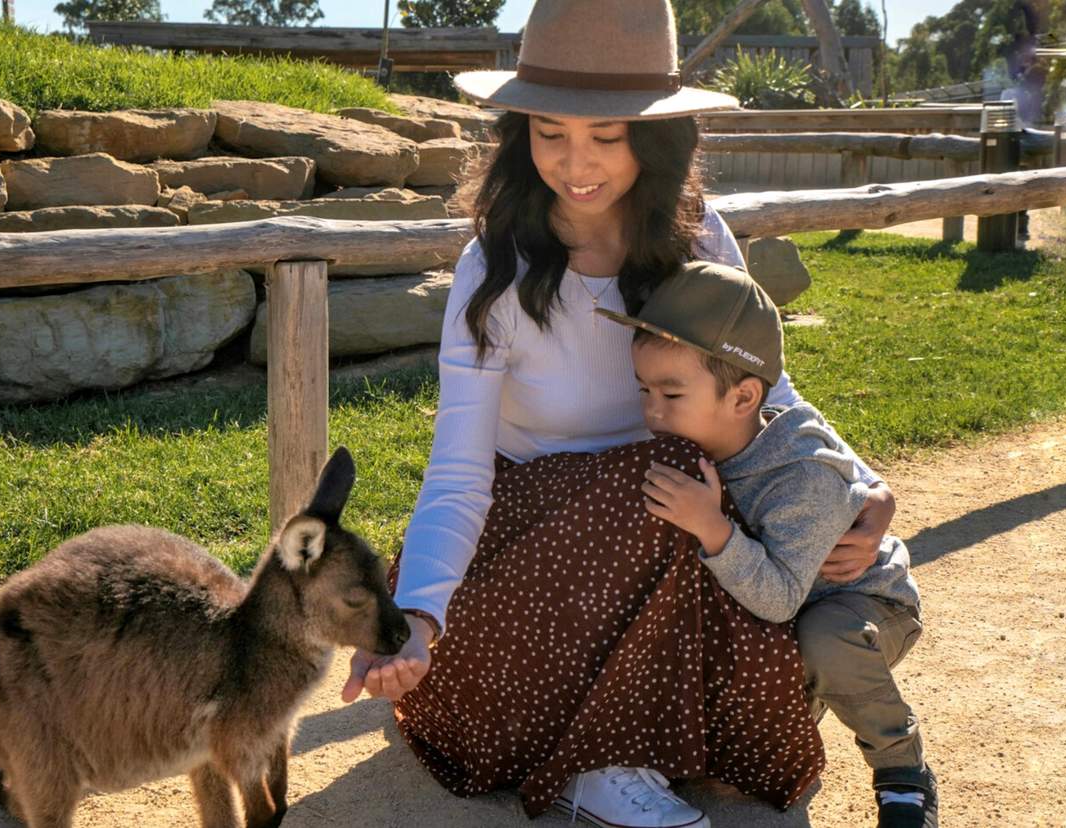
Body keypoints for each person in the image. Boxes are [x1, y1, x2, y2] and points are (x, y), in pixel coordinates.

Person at [338, 1, 897, 825]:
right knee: (668, 471)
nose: (575, 162)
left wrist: (860, 484)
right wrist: (418, 615)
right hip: (532, 550)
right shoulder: (491, 269)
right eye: (549, 131)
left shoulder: (699, 238)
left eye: (608, 136)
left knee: (714, 498)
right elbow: (457, 470)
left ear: (655, 136)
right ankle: (597, 757)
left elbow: (759, 389)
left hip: (670, 518)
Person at [597, 262, 936, 828]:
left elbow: (780, 598)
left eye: (671, 393)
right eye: (644, 390)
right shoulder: (692, 442)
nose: (652, 410)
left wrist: (714, 529)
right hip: (771, 606)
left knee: (823, 642)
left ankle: (902, 769)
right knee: (731, 765)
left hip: (852, 606)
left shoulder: (802, 476)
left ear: (744, 396)